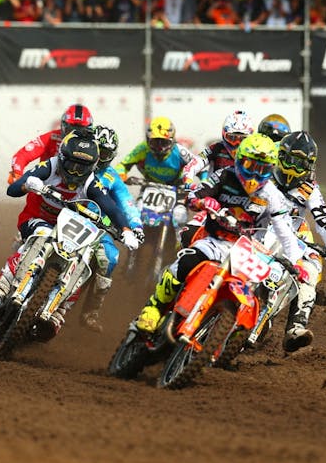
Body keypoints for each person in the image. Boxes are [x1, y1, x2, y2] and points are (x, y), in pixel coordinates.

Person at [132, 133, 307, 335]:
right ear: (240, 160)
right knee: (186, 262)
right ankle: (154, 307)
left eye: (262, 169)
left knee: (255, 294)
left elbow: (284, 230)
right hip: (215, 240)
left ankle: (233, 336)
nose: (254, 174)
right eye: (250, 166)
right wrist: (202, 201)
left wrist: (296, 261)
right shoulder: (224, 175)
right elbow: (194, 195)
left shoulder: (272, 195)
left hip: (247, 252)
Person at [0, 134, 140, 335]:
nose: (75, 172)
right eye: (71, 165)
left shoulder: (91, 182)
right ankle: (0, 288)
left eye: (81, 167)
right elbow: (12, 190)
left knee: (85, 256)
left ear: (91, 166)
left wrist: (126, 230)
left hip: (69, 227)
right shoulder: (49, 166)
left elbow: (112, 208)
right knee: (42, 234)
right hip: (36, 219)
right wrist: (27, 184)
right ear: (62, 158)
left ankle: (58, 311)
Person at [270, 131, 326, 351]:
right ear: (280, 156)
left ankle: (296, 327)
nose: (293, 167)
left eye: (300, 163)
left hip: (289, 238)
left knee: (311, 268)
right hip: (256, 230)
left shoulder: (310, 189)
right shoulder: (264, 174)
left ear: (310, 165)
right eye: (290, 160)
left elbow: (323, 219)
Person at [82, 126, 143, 332]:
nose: (99, 156)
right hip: (67, 214)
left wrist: (136, 226)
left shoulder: (112, 177)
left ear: (112, 155)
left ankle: (91, 311)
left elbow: (127, 203)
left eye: (105, 152)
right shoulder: (76, 162)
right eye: (97, 150)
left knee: (110, 258)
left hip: (99, 226)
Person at [179, 110, 255, 247]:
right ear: (224, 135)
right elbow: (193, 164)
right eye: (232, 138)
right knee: (187, 234)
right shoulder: (216, 148)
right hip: (213, 202)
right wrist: (189, 182)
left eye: (242, 139)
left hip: (244, 205)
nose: (237, 144)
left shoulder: (255, 154)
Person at [8, 103, 95, 184]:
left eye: (80, 131)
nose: (73, 135)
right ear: (63, 126)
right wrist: (17, 172)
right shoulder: (52, 137)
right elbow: (23, 154)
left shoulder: (94, 144)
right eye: (70, 130)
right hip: (46, 187)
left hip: (79, 188)